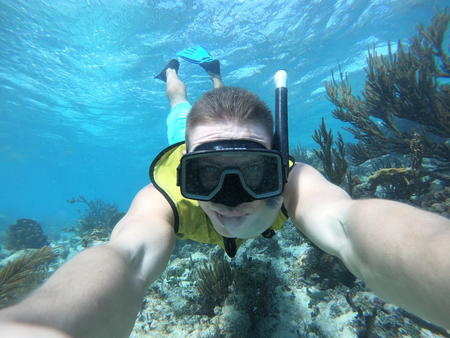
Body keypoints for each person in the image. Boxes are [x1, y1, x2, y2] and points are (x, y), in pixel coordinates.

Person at [1, 47, 450, 338]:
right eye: (206, 175)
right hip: (186, 130)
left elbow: (348, 225)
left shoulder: (294, 181)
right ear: (185, 175)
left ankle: (216, 77)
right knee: (178, 104)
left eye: (255, 172)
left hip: (215, 138)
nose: (230, 198)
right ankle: (173, 71)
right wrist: (42, 324)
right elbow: (127, 259)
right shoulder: (168, 192)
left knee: (207, 103)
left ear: (277, 165)